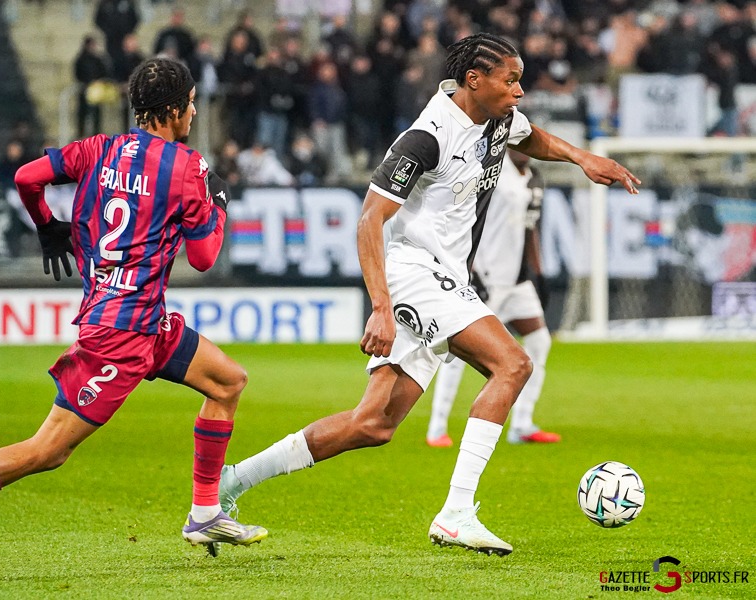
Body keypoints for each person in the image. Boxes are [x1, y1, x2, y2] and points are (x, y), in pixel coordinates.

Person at [217, 33, 639, 557]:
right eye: (511, 81)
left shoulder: (499, 117)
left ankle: (232, 481)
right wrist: (380, 306)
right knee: (513, 364)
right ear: (473, 80)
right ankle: (456, 513)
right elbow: (369, 220)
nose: (519, 91)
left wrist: (581, 158)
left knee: (372, 424)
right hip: (414, 271)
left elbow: (532, 138)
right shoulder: (427, 137)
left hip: (446, 278)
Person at [0, 57, 267, 569]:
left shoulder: (97, 149)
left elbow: (27, 177)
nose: (194, 112)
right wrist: (219, 206)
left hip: (143, 321)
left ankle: (205, 511)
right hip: (120, 335)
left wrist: (46, 225)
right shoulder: (186, 168)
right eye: (191, 104)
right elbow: (203, 257)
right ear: (173, 111)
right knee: (48, 450)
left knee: (228, 382)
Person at [426, 148, 558, 448]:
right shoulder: (490, 172)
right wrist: (470, 267)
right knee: (459, 350)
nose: (526, 149)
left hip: (517, 281)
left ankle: (522, 424)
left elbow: (530, 228)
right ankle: (437, 427)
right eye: (520, 141)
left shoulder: (535, 178)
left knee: (539, 341)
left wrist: (538, 272)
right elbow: (461, 218)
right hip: (486, 278)